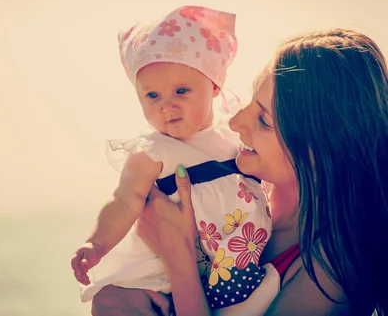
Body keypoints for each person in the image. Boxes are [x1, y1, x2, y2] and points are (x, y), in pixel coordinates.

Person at [135, 28, 388, 315]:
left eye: (263, 120)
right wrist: (116, 292)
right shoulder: (232, 188)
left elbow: (179, 259)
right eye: (249, 103)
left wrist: (178, 261)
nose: (234, 123)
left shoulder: (333, 268)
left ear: (321, 150)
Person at [70, 5, 277, 315]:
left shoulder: (235, 142)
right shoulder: (152, 151)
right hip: (155, 275)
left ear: (215, 85)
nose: (167, 105)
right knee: (113, 305)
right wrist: (97, 243)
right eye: (152, 96)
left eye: (181, 91)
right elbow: (124, 202)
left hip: (219, 269)